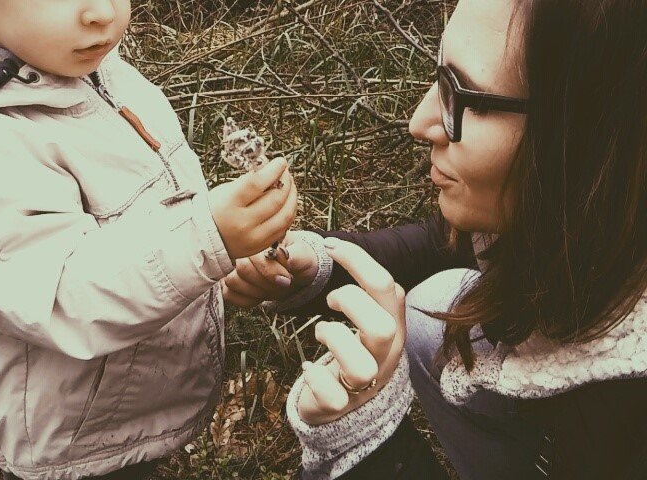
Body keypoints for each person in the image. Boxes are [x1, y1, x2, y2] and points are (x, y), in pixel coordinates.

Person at [222, 0, 647, 478]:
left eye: (473, 98)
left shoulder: (627, 420)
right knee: (435, 306)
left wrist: (366, 445)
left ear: (599, 130)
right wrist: (315, 265)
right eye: (441, 77)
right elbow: (441, 246)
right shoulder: (592, 214)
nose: (419, 122)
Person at [0, 0, 297, 479]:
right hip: (69, 442)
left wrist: (215, 268)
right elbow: (59, 294)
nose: (102, 12)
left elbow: (140, 219)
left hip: (124, 406)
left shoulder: (92, 70)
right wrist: (202, 241)